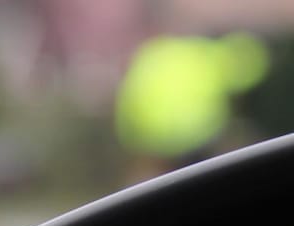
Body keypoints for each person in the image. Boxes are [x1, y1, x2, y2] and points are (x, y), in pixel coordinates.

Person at [114, 32, 270, 176]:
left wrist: (132, 141)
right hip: (195, 140)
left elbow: (127, 101)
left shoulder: (154, 53)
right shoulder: (216, 63)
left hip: (154, 142)